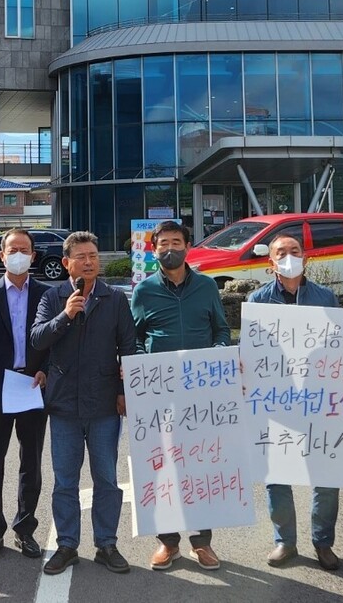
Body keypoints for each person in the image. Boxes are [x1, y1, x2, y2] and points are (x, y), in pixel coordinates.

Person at [31, 231, 136, 576]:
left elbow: (129, 348)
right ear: (66, 263)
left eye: (93, 255)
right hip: (63, 406)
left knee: (106, 477)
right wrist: (65, 315)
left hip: (105, 403)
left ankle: (107, 543)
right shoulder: (53, 297)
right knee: (65, 480)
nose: (90, 262)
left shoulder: (116, 299)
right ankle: (67, 545)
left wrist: (124, 392)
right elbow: (38, 339)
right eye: (82, 257)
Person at [129, 221, 229, 571]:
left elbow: (221, 330)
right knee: (162, 465)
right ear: (153, 249)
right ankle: (167, 542)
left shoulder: (205, 287)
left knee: (201, 463)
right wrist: (144, 364)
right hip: (159, 395)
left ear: (188, 245)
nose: (169, 248)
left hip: (202, 393)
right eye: (163, 243)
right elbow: (135, 338)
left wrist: (218, 352)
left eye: (176, 241)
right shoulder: (143, 291)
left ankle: (202, 542)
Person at [246, 234, 342, 571]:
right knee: (277, 477)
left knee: (326, 476)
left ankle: (323, 542)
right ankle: (284, 541)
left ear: (305, 257)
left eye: (295, 251)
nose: (289, 257)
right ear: (270, 263)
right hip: (276, 403)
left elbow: (338, 348)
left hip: (320, 401)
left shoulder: (326, 297)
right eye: (281, 253)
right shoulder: (257, 300)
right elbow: (251, 353)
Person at [0, 228, 51, 562]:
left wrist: (46, 370)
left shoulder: (48, 294)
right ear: (2, 255)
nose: (18, 254)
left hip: (32, 387)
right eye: (12, 249)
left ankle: (25, 529)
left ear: (33, 255)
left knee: (30, 463)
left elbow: (53, 340)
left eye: (24, 249)